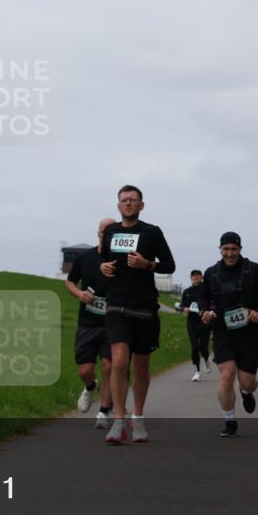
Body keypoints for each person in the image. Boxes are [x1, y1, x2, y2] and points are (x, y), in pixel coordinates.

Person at [99, 185, 176, 444]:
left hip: (144, 308)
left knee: (141, 366)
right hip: (117, 306)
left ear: (141, 205)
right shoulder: (110, 232)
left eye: (133, 200)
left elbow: (169, 264)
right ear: (118, 206)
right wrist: (105, 268)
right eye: (124, 200)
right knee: (119, 361)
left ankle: (138, 417)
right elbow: (104, 261)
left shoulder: (152, 232)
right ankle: (119, 420)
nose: (128, 203)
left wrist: (147, 264)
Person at [198, 232, 258, 438]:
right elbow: (203, 297)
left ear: (240, 249)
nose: (230, 253)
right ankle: (229, 420)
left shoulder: (254, 270)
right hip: (223, 330)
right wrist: (204, 312)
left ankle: (246, 392)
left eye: (234, 249)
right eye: (226, 249)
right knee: (226, 374)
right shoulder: (211, 273)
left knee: (247, 382)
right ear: (220, 249)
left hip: (249, 332)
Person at [66, 218, 117, 428]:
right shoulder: (85, 258)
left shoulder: (121, 260)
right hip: (88, 322)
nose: (106, 234)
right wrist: (79, 293)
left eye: (112, 231)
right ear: (98, 232)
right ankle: (89, 387)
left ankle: (103, 413)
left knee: (109, 365)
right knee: (85, 371)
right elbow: (69, 281)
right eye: (104, 230)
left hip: (114, 322)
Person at [177, 269, 212, 381]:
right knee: (195, 346)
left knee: (203, 347)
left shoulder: (207, 290)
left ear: (202, 277)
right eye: (193, 276)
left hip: (205, 322)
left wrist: (209, 311)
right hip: (192, 322)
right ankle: (196, 371)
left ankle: (206, 359)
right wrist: (184, 309)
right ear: (191, 278)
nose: (196, 277)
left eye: (198, 275)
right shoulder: (187, 291)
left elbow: (212, 304)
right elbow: (181, 306)